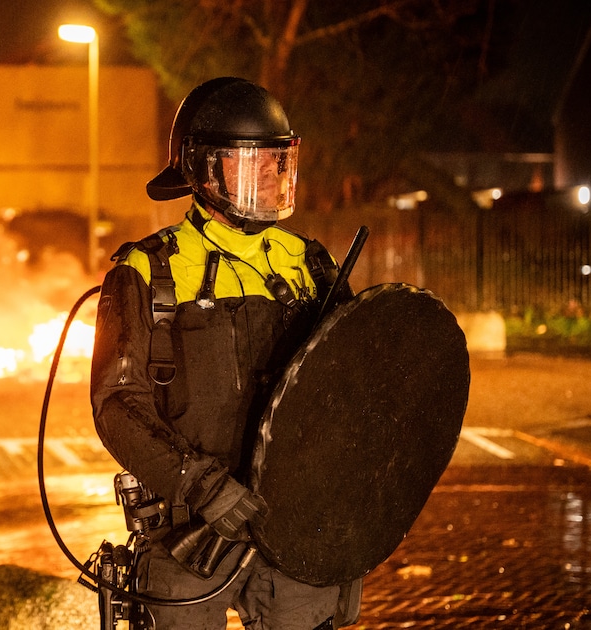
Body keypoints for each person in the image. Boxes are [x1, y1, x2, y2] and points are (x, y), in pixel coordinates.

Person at [90, 77, 355, 629]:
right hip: (186, 531)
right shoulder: (146, 272)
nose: (268, 174)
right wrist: (202, 486)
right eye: (249, 160)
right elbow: (117, 405)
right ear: (201, 169)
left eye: (277, 161)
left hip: (293, 532)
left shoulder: (310, 264)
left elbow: (355, 387)